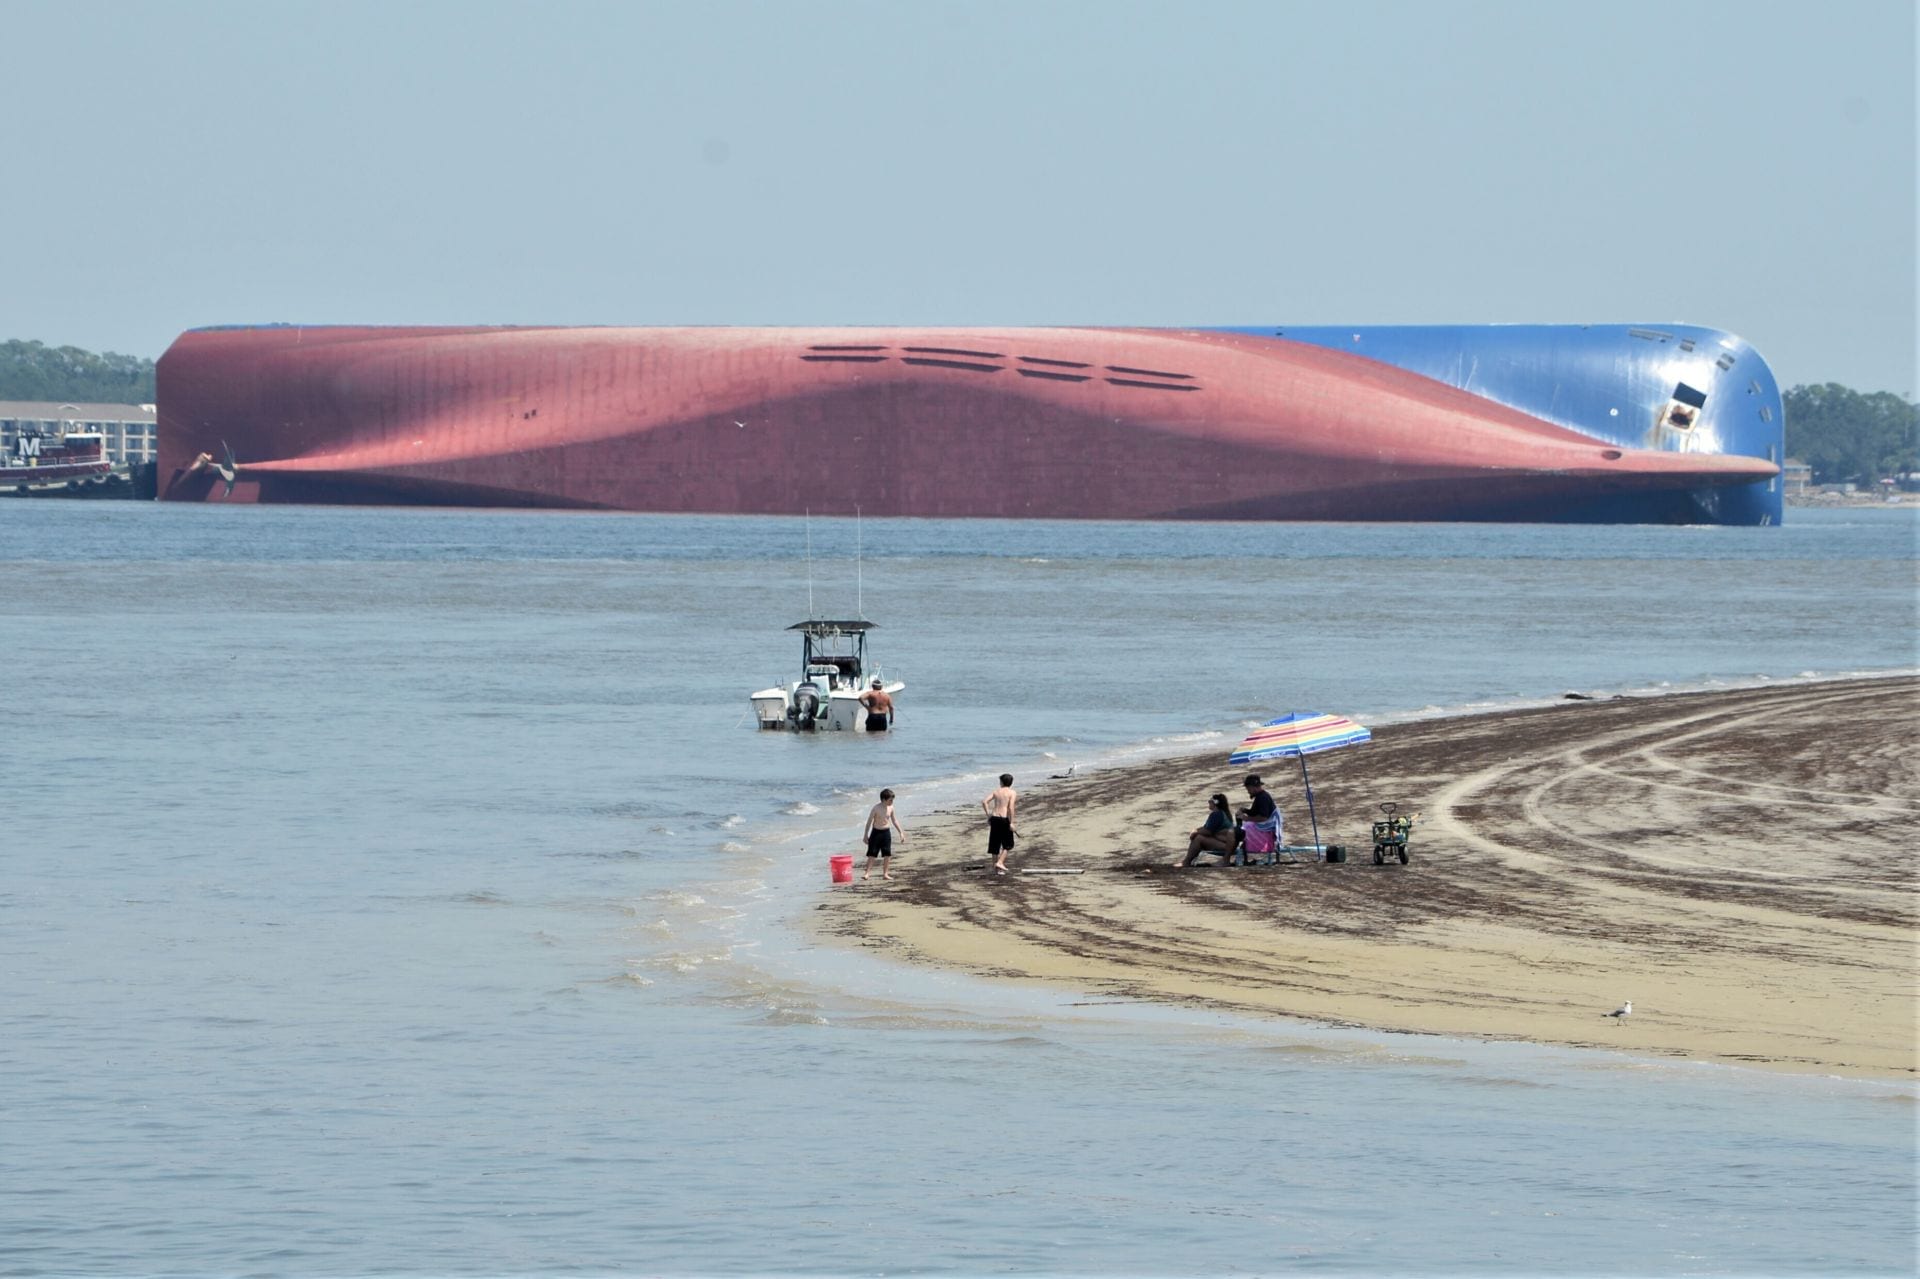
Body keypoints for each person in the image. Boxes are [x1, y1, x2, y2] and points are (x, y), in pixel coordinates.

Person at [1182, 793, 1237, 866]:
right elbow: (1206, 828)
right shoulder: (1221, 813)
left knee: (1198, 838)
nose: (1208, 803)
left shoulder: (1217, 814)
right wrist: (1196, 830)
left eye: (1210, 801)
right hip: (1226, 844)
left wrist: (1195, 832)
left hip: (1226, 845)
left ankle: (1186, 862)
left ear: (1215, 803)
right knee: (1198, 836)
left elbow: (1208, 831)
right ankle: (1188, 861)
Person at [861, 787, 904, 880]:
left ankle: (885, 874)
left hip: (886, 833)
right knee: (872, 854)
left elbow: (894, 820)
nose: (892, 802)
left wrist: (901, 832)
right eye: (890, 800)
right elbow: (869, 822)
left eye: (892, 800)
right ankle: (867, 873)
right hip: (876, 833)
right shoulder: (876, 808)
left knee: (887, 854)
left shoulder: (891, 808)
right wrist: (865, 835)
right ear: (884, 799)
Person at [982, 773, 1017, 875]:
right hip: (1003, 819)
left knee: (995, 844)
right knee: (1008, 844)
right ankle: (1000, 862)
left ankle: (996, 869)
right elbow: (1010, 808)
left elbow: (984, 802)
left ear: (1001, 782)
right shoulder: (1012, 792)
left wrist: (989, 815)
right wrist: (1011, 822)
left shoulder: (996, 792)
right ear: (1011, 783)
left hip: (994, 818)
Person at [1237, 774, 1279, 854]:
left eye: (1248, 789)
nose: (1248, 791)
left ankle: (1241, 850)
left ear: (1253, 787)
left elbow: (1263, 818)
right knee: (1241, 830)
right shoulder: (1260, 796)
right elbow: (1255, 813)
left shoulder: (1263, 798)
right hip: (1265, 826)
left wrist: (1246, 818)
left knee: (1241, 831)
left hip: (1266, 828)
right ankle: (1242, 849)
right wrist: (1245, 810)